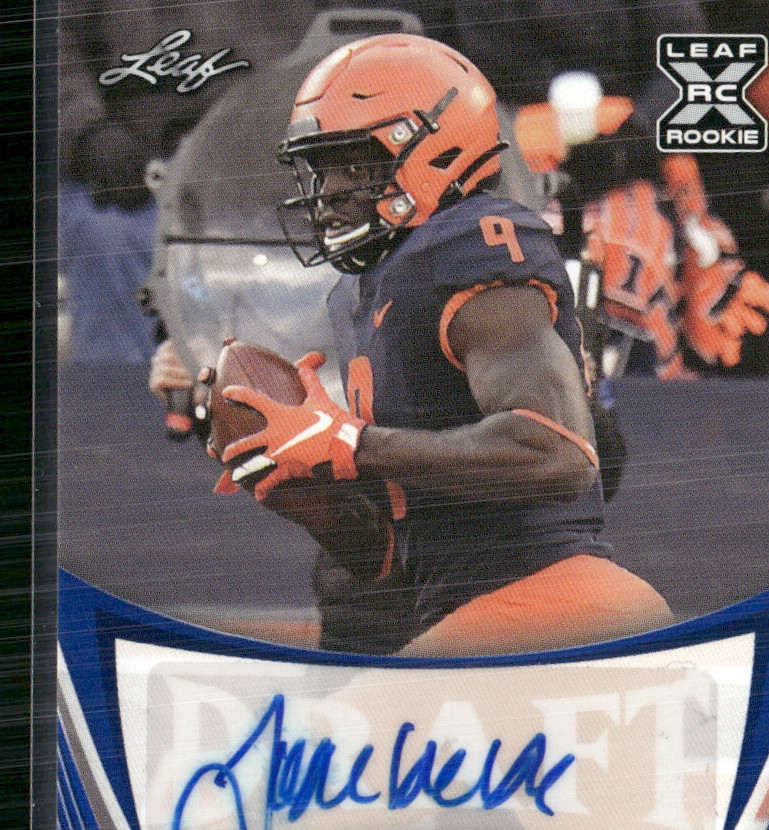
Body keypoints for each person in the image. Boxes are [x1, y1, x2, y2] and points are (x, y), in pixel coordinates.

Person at [214, 34, 671, 657]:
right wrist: (306, 488)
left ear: (432, 148)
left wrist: (352, 444)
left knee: (352, 713)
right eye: (321, 170)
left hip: (555, 600)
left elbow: (556, 453)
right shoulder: (363, 290)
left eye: (354, 165)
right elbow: (385, 562)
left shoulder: (469, 242)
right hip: (468, 610)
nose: (328, 193)